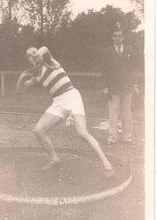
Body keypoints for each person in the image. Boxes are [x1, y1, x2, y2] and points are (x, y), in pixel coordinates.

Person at [17, 46, 114, 175]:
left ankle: (106, 162)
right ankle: (54, 158)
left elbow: (45, 49)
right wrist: (22, 76)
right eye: (29, 55)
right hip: (58, 103)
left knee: (82, 133)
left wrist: (38, 53)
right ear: (28, 60)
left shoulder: (50, 62)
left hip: (72, 96)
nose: (33, 56)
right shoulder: (37, 76)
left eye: (34, 52)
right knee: (38, 130)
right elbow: (19, 90)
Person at [101, 25, 138, 145]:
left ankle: (127, 137)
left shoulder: (130, 50)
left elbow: (133, 69)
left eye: (120, 36)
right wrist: (105, 87)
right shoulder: (107, 51)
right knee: (113, 113)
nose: (118, 38)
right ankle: (112, 137)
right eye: (115, 36)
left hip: (127, 87)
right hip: (113, 88)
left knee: (127, 113)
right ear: (113, 38)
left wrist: (135, 84)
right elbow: (104, 71)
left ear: (123, 37)